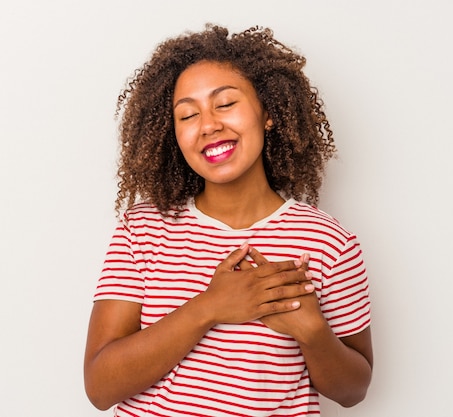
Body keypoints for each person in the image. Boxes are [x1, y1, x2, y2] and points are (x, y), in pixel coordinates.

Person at [84, 24, 373, 416]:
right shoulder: (143, 230)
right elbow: (101, 387)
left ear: (267, 112)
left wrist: (313, 331)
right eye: (187, 115)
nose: (208, 125)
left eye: (225, 104)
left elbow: (353, 391)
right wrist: (210, 306)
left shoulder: (327, 242)